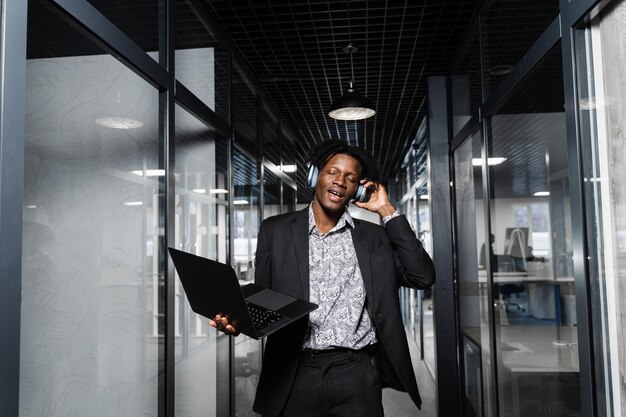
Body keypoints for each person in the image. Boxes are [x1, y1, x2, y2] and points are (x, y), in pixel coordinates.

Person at [210, 139, 436, 417]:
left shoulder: (374, 238)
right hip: (294, 372)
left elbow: (422, 276)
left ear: (358, 190)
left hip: (356, 372)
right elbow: (263, 299)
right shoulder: (275, 231)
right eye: (332, 172)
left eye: (350, 178)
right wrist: (238, 321)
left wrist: (387, 211)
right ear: (315, 175)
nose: (340, 181)